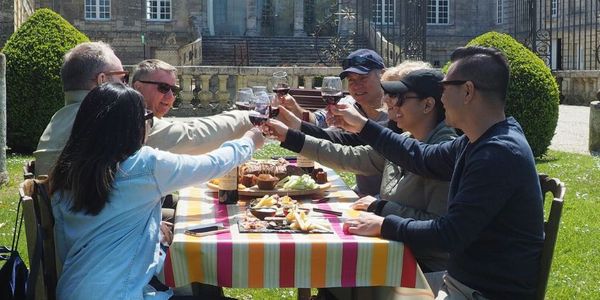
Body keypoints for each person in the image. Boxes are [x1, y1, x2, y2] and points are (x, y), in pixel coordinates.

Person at [329, 46, 544, 299]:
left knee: (347, 282)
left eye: (445, 88)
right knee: (340, 282)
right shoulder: (477, 141)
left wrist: (385, 223)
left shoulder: (497, 153)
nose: (440, 98)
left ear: (467, 91)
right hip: (460, 283)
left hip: (478, 292)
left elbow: (448, 234)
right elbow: (420, 156)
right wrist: (364, 126)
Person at [49, 82, 265, 300]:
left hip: (72, 290)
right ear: (131, 127)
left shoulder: (69, 172)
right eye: (147, 118)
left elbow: (91, 234)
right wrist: (249, 142)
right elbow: (211, 164)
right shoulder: (143, 166)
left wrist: (151, 228)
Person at [266, 68, 457, 274]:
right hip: (391, 249)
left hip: (421, 267)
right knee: (323, 264)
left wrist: (381, 208)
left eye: (399, 97)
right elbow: (350, 157)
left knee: (328, 265)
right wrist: (289, 136)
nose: (390, 103)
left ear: (428, 105)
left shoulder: (445, 154)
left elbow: (437, 229)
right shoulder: (407, 140)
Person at [35, 46, 254, 176]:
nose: (126, 86)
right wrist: (249, 119)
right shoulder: (115, 119)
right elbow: (193, 137)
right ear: (102, 81)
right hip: (113, 244)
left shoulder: (56, 121)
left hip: (69, 241)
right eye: (122, 78)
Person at [281, 48, 387, 128]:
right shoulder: (347, 104)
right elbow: (317, 121)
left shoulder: (395, 110)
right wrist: (294, 107)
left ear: (383, 75)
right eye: (351, 80)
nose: (356, 85)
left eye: (363, 78)